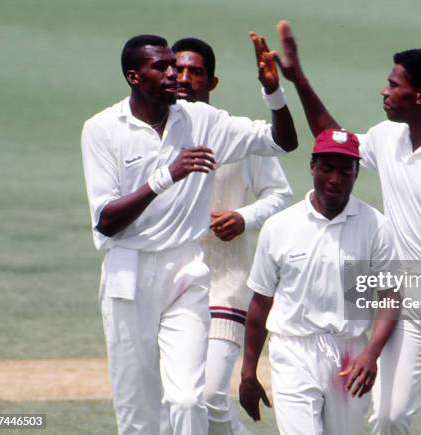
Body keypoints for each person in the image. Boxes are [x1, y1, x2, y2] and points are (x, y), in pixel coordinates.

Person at [272, 20, 421, 435]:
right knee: (388, 416)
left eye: (393, 84)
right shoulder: (387, 137)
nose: (384, 90)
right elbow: (333, 140)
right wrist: (299, 80)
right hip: (405, 299)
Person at [80, 33, 297, 435]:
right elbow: (106, 220)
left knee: (188, 398)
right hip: (129, 272)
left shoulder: (203, 120)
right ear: (133, 76)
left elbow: (283, 143)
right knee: (139, 412)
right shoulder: (102, 128)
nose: (173, 74)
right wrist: (167, 176)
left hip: (187, 270)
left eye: (176, 66)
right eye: (161, 67)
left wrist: (273, 92)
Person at [239, 129, 400, 435]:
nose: (335, 180)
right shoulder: (279, 227)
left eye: (345, 171)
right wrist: (248, 372)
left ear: (356, 174)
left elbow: (390, 297)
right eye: (327, 169)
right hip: (293, 350)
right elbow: (260, 303)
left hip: (350, 353)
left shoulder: (376, 227)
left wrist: (371, 354)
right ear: (312, 167)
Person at [171, 37, 293, 435]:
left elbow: (280, 194)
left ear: (213, 81)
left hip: (224, 285)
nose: (186, 78)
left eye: (197, 72)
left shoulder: (233, 134)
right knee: (178, 401)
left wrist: (243, 216)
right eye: (179, 70)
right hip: (170, 286)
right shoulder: (153, 132)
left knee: (209, 397)